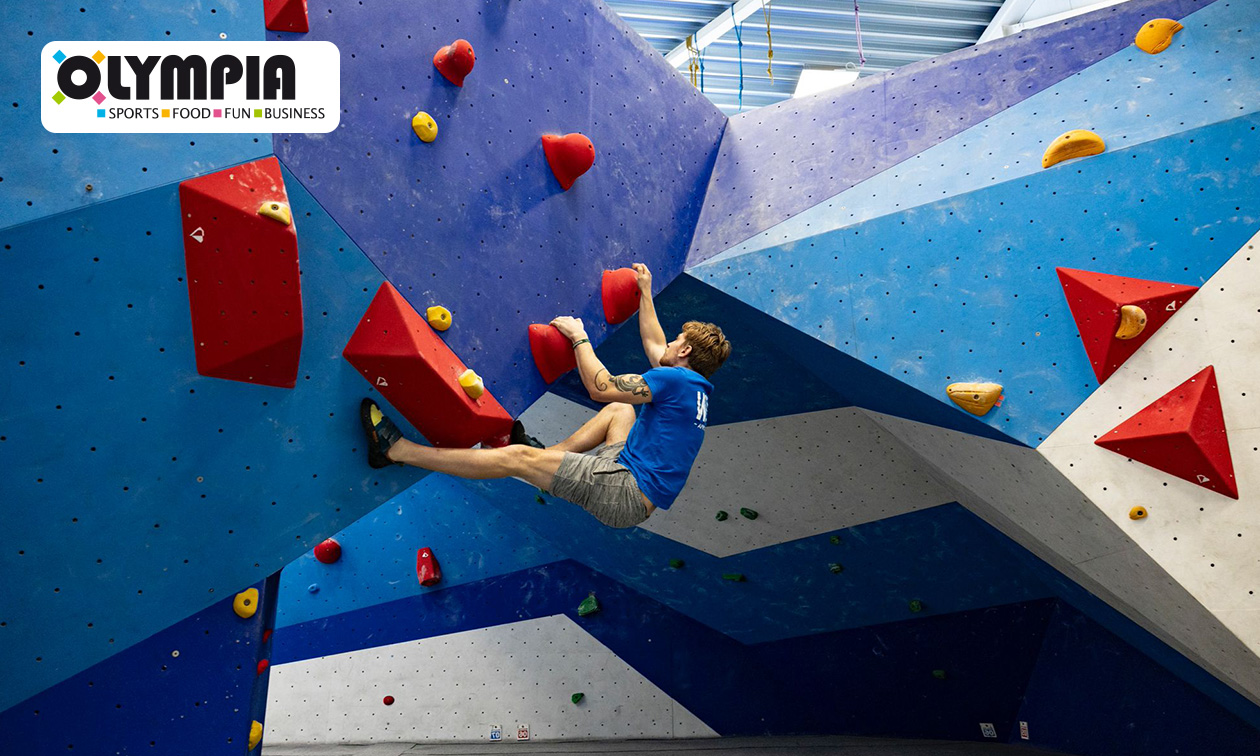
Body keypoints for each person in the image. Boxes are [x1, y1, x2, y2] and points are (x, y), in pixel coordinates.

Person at [359, 263, 732, 528]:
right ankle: (551, 458)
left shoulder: (676, 381)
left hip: (623, 490)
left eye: (677, 341)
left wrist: (579, 338)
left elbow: (600, 387)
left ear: (684, 352)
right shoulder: (693, 388)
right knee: (622, 411)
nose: (669, 343)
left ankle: (396, 451)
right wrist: (646, 293)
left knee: (517, 459)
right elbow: (654, 343)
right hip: (632, 485)